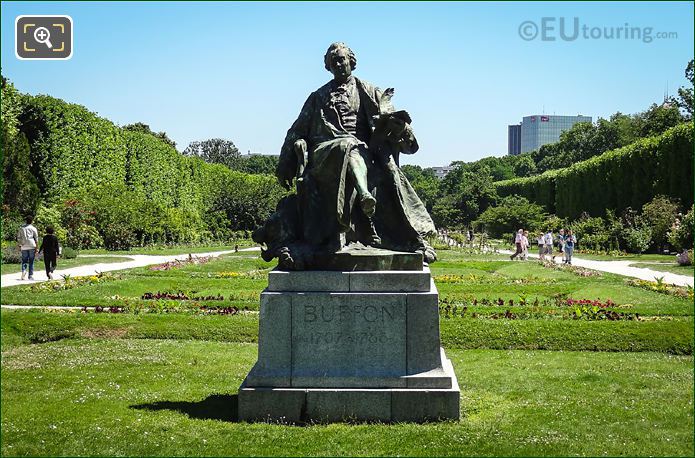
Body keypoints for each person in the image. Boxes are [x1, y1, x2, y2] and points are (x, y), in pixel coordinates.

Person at [269, 42, 436, 266]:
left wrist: (399, 128)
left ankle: (382, 222)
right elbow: (297, 131)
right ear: (328, 67)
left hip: (365, 154)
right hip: (324, 155)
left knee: (355, 150)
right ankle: (363, 196)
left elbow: (409, 142)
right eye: (333, 61)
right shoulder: (317, 97)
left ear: (351, 62)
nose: (338, 64)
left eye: (342, 59)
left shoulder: (371, 92)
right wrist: (286, 161)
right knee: (345, 144)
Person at [16, 215, 39, 280]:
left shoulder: (21, 228)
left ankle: (24, 271)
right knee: (31, 261)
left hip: (24, 245)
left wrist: (19, 245)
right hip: (31, 245)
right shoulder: (33, 228)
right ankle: (30, 276)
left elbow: (18, 238)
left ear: (26, 220)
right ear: (32, 221)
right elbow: (36, 239)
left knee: (24, 260)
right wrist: (37, 248)